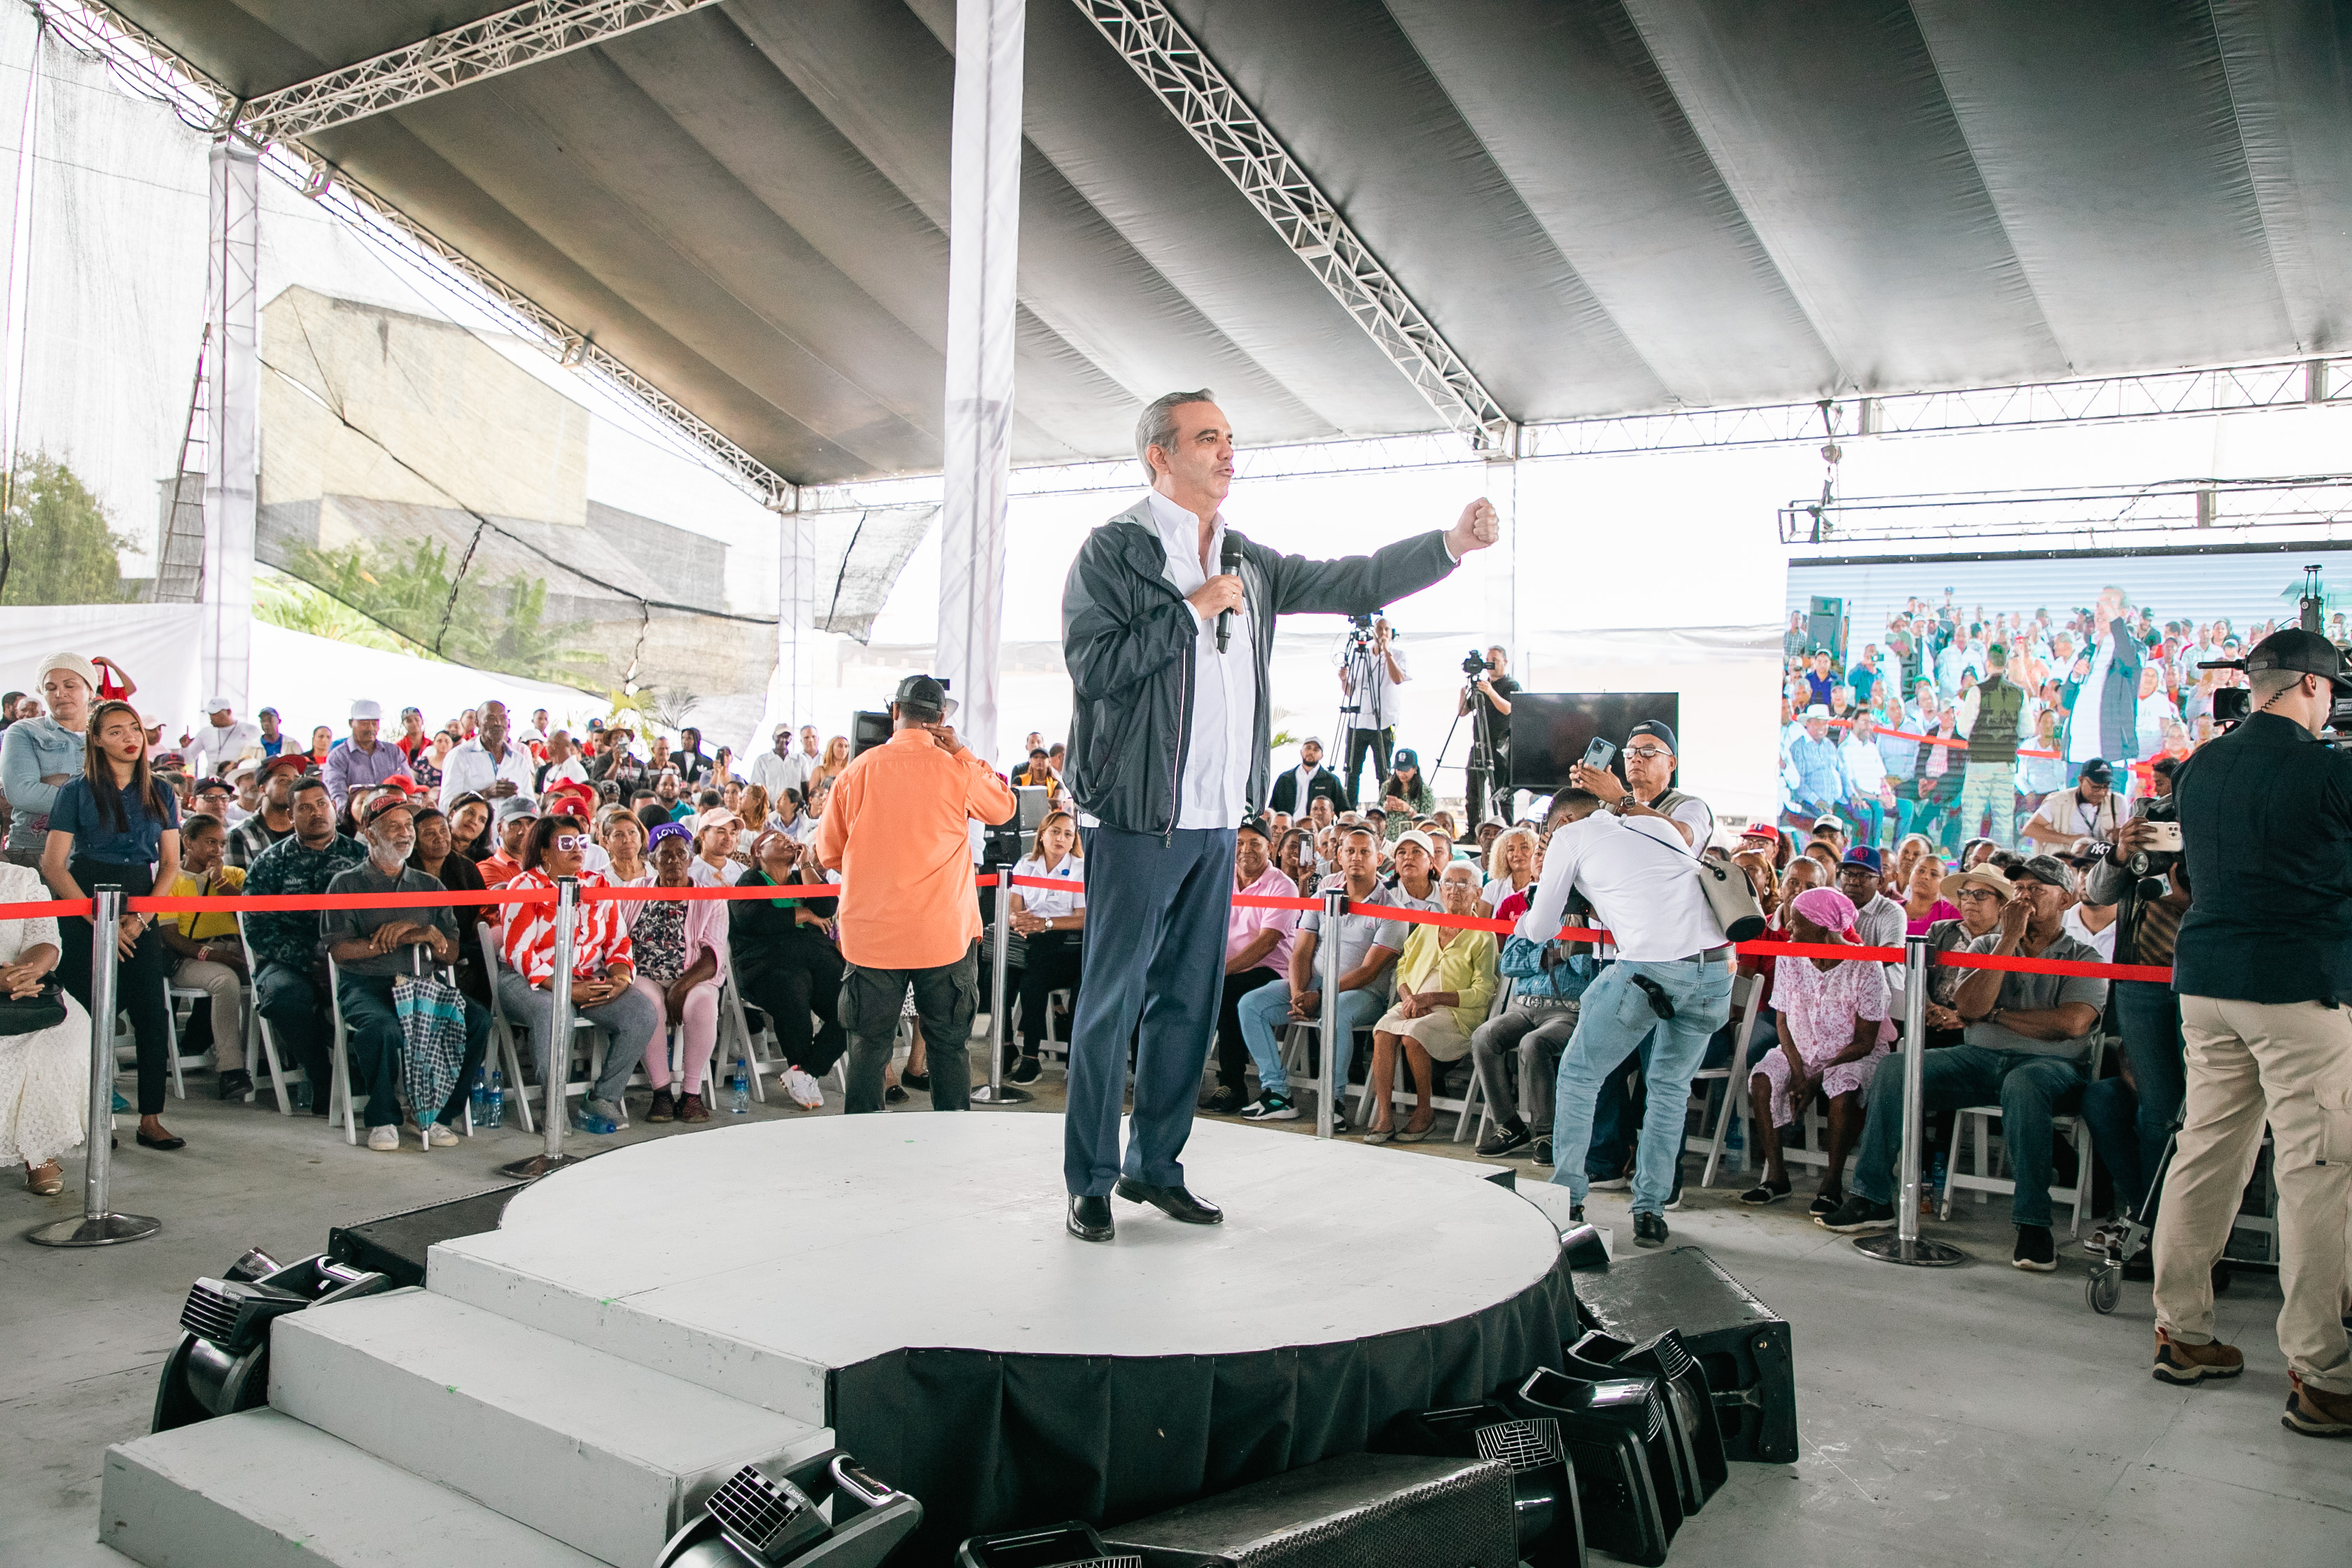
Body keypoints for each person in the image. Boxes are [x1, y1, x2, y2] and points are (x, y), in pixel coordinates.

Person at [1059, 389, 1494, 1241]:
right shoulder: (1116, 549)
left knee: (1187, 1003)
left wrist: (1449, 545)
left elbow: (1352, 579)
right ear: (1160, 455)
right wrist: (1190, 611)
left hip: (1218, 816)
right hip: (1138, 816)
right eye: (1208, 437)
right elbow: (1093, 665)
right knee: (1111, 1004)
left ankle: (1157, 1165)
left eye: (1230, 436)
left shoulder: (1247, 560)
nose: (1228, 451)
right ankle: (1091, 1180)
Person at [2147, 627, 2352, 1431]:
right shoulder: (2329, 770)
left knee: (2207, 1151)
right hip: (2297, 987)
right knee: (2316, 1171)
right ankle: (2322, 1372)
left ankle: (2182, 1331)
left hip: (2206, 983)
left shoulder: (2201, 766)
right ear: (2311, 685)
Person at [1821, 855, 2106, 1273]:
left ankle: (2033, 1224)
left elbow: (2071, 1024)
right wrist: (2008, 940)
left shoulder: (2085, 957)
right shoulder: (1987, 946)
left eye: (2036, 890)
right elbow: (1970, 1007)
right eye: (2019, 889)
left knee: (2024, 1084)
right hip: (1979, 1059)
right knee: (1897, 1069)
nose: (2024, 898)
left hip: (2050, 1068)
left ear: (2065, 900)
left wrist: (1997, 1015)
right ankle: (1873, 1198)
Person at [1518, 787, 1732, 1247]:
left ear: (1561, 822)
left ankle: (1568, 1199)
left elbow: (1539, 928)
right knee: (1670, 1089)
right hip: (1716, 971)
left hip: (1653, 968)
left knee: (1579, 1073)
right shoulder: (1651, 824)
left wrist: (1533, 900)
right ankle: (1651, 1212)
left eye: (1547, 832)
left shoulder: (1570, 838)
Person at [813, 675, 1014, 1115]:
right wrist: (962, 752)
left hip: (873, 936)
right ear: (940, 719)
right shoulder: (957, 769)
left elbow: (828, 853)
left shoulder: (856, 772)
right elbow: (1003, 807)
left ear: (894, 713)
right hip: (943, 934)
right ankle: (950, 1140)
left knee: (868, 1049)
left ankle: (863, 1140)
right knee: (949, 1048)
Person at [41, 699, 183, 1149]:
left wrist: (139, 919)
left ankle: (151, 1118)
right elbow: (53, 864)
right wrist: (97, 921)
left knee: (151, 1012)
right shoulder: (76, 791)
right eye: (116, 731)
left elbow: (171, 864)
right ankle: (90, 1117)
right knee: (84, 1014)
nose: (129, 738)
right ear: (97, 740)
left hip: (140, 897)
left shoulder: (162, 790)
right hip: (84, 897)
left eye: (134, 728)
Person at [321, 797, 491, 1152]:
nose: (405, 833)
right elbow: (340, 951)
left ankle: (439, 1114)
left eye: (409, 826)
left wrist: (425, 933)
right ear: (370, 834)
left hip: (424, 983)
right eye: (394, 826)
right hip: (368, 984)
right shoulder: (346, 884)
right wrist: (400, 937)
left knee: (477, 1020)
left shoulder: (429, 886)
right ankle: (383, 1117)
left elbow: (451, 953)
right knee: (382, 1028)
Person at [1234, 826, 1405, 1127]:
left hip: (1363, 994)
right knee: (1251, 1004)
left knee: (1335, 1014)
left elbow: (1369, 972)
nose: (1356, 857)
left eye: (1364, 852)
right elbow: (1301, 951)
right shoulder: (1324, 896)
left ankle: (1333, 1101)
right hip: (1313, 985)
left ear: (1379, 859)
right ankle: (1277, 1093)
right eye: (1350, 851)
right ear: (1339, 855)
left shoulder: (1392, 909)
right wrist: (1299, 993)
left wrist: (1322, 996)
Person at [498, 813, 656, 1132]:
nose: (577, 848)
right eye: (566, 842)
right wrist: (566, 989)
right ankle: (554, 1106)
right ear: (544, 851)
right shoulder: (524, 886)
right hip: (528, 980)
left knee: (641, 1012)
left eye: (581, 841)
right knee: (555, 1012)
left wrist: (621, 978)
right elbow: (520, 954)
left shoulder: (597, 884)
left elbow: (618, 941)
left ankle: (603, 1098)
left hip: (586, 978)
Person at [1740, 886, 1893, 1213]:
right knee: (1763, 1079)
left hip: (1852, 1054)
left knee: (1843, 1089)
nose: (1788, 928)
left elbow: (1865, 1042)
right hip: (1801, 1048)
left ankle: (1832, 1184)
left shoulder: (1866, 965)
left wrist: (1814, 1080)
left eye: (1796, 922)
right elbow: (1782, 1020)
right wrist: (1799, 1073)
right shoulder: (1790, 956)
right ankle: (1776, 1176)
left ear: (1823, 931)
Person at [244, 776, 368, 1116]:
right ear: (290, 815)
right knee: (284, 997)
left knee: (381, 993)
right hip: (290, 961)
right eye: (305, 808)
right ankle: (321, 1075)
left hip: (352, 958)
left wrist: (339, 957)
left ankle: (366, 1072)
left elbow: (376, 917)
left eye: (321, 804)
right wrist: (309, 960)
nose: (316, 813)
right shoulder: (271, 862)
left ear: (334, 807)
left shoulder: (362, 858)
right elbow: (257, 928)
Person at [1364, 860, 1495, 1142]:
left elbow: (1483, 992)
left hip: (1457, 1013)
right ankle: (1384, 1117)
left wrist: (1433, 998)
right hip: (1413, 1002)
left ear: (1478, 893)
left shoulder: (1484, 935)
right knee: (1383, 1030)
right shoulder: (1427, 925)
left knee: (1414, 1034)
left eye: (1463, 884)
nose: (1454, 890)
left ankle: (1425, 1112)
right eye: (1448, 883)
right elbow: (1402, 966)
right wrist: (1408, 996)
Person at [731, 828, 848, 1109]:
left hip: (817, 960)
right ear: (758, 852)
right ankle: (803, 1071)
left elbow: (826, 906)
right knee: (792, 988)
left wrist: (806, 865)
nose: (787, 840)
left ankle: (806, 1073)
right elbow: (753, 918)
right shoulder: (750, 880)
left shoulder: (801, 878)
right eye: (776, 839)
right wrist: (803, 913)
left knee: (853, 1003)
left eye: (789, 838)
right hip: (767, 964)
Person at [628, 822, 728, 1124]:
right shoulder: (633, 891)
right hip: (644, 976)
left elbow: (713, 956)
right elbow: (618, 938)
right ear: (652, 860)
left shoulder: (711, 898)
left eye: (680, 854)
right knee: (648, 1004)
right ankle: (661, 1092)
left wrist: (680, 988)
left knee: (704, 1004)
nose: (673, 861)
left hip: (693, 976)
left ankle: (691, 1094)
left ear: (691, 857)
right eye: (665, 855)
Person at [0, 857, 86, 1194]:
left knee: (61, 1042)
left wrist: (24, 974)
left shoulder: (22, 879)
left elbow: (46, 940)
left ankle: (39, 1152)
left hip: (26, 991)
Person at [1201, 816, 1296, 1116]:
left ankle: (1233, 1085)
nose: (1246, 849)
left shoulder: (1283, 886)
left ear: (1271, 848)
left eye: (1255, 843)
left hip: (1272, 971)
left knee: (1229, 992)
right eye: (1240, 843)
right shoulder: (1222, 878)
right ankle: (1174, 1077)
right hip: (1226, 968)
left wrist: (1222, 971)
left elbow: (1267, 943)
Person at [157, 811, 252, 1100]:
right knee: (225, 981)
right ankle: (232, 1071)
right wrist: (214, 956)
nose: (218, 850)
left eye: (221, 844)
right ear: (188, 842)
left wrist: (221, 883)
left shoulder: (234, 876)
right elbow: (170, 935)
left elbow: (252, 913)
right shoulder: (170, 879)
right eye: (211, 842)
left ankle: (264, 1060)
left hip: (237, 948)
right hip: (192, 956)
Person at [1006, 809, 1085, 1084]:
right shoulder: (1026, 864)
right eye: (1055, 832)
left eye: (1068, 834)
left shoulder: (1080, 868)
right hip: (1031, 939)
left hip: (1067, 944)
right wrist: (1021, 922)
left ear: (1074, 840)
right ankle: (1006, 1045)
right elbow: (1013, 910)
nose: (1061, 838)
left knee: (1032, 979)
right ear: (1042, 835)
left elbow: (1083, 919)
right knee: (1001, 973)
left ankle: (1030, 1057)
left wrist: (1045, 923)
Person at [2, 652, 95, 869]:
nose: (60, 693)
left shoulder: (108, 733)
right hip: (34, 850)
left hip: (97, 852)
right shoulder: (23, 731)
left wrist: (58, 783)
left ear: (90, 690)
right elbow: (22, 793)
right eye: (51, 688)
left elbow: (130, 791)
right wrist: (98, 800)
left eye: (70, 685)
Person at [407, 805, 492, 1008]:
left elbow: (480, 915)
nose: (440, 838)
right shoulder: (406, 872)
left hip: (462, 945)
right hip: (419, 948)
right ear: (415, 842)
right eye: (429, 833)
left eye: (443, 830)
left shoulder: (466, 868)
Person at [1955, 643, 2026, 849]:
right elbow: (2027, 729)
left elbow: (1963, 728)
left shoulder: (1977, 691)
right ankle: (2003, 862)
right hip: (2006, 762)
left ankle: (1967, 858)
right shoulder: (2019, 693)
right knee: (2004, 817)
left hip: (1980, 761)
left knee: (1972, 817)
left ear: (1988, 663)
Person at [1339, 617, 1408, 807]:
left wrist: (1387, 653)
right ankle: (1350, 811)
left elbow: (1398, 679)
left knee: (1383, 772)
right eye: (1379, 629)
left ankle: (1383, 811)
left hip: (1384, 723)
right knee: (1352, 771)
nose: (1383, 633)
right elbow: (1351, 692)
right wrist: (1343, 680)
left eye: (1387, 629)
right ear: (1373, 632)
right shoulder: (1360, 655)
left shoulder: (1399, 655)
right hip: (1358, 722)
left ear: (1392, 634)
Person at [1458, 645, 1519, 834]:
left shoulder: (1511, 685)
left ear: (1505, 662)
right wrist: (1464, 692)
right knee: (1473, 792)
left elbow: (1508, 709)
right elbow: (1463, 712)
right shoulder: (1481, 687)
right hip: (1479, 745)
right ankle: (1473, 830)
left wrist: (1490, 691)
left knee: (1502, 792)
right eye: (1488, 661)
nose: (1491, 665)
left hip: (1500, 747)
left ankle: (1507, 829)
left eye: (1495, 660)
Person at [437, 699, 536, 809]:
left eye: (502, 718)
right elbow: (446, 805)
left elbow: (531, 805)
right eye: (490, 718)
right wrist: (485, 794)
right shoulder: (459, 756)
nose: (498, 723)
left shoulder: (518, 760)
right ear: (477, 723)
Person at [2023, 755, 2123, 852]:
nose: (2101, 792)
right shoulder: (2059, 801)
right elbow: (2030, 829)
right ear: (2081, 780)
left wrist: (2117, 837)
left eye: (2106, 787)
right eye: (2095, 787)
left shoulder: (2117, 802)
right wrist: (2070, 839)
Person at [1267, 736, 1348, 817]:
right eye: (1308, 748)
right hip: (1288, 824)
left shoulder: (1331, 780)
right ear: (1301, 752)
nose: (1311, 752)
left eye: (1316, 750)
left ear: (1322, 755)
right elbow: (1273, 808)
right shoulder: (1285, 778)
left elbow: (1343, 810)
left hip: (1317, 825)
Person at [186, 696, 260, 780]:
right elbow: (188, 760)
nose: (212, 717)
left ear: (228, 712)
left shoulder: (250, 730)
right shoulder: (205, 732)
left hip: (238, 778)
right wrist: (185, 747)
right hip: (212, 780)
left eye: (215, 714)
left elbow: (259, 756)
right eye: (210, 714)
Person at [1481, 825, 1538, 916]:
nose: (1517, 854)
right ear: (1503, 855)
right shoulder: (1492, 888)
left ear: (1536, 851)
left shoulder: (1542, 888)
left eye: (1524, 847)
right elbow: (1481, 925)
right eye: (1511, 849)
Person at [1378, 749, 1436, 838]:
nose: (1401, 774)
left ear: (1415, 769)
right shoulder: (1386, 786)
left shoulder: (1425, 791)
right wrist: (1384, 808)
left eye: (1405, 770)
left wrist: (1409, 810)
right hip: (1389, 838)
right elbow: (1377, 811)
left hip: (1412, 838)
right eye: (1398, 770)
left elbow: (1427, 822)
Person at [689, 808, 746, 886]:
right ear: (702, 834)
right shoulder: (688, 871)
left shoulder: (742, 871)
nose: (728, 838)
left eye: (732, 833)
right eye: (721, 832)